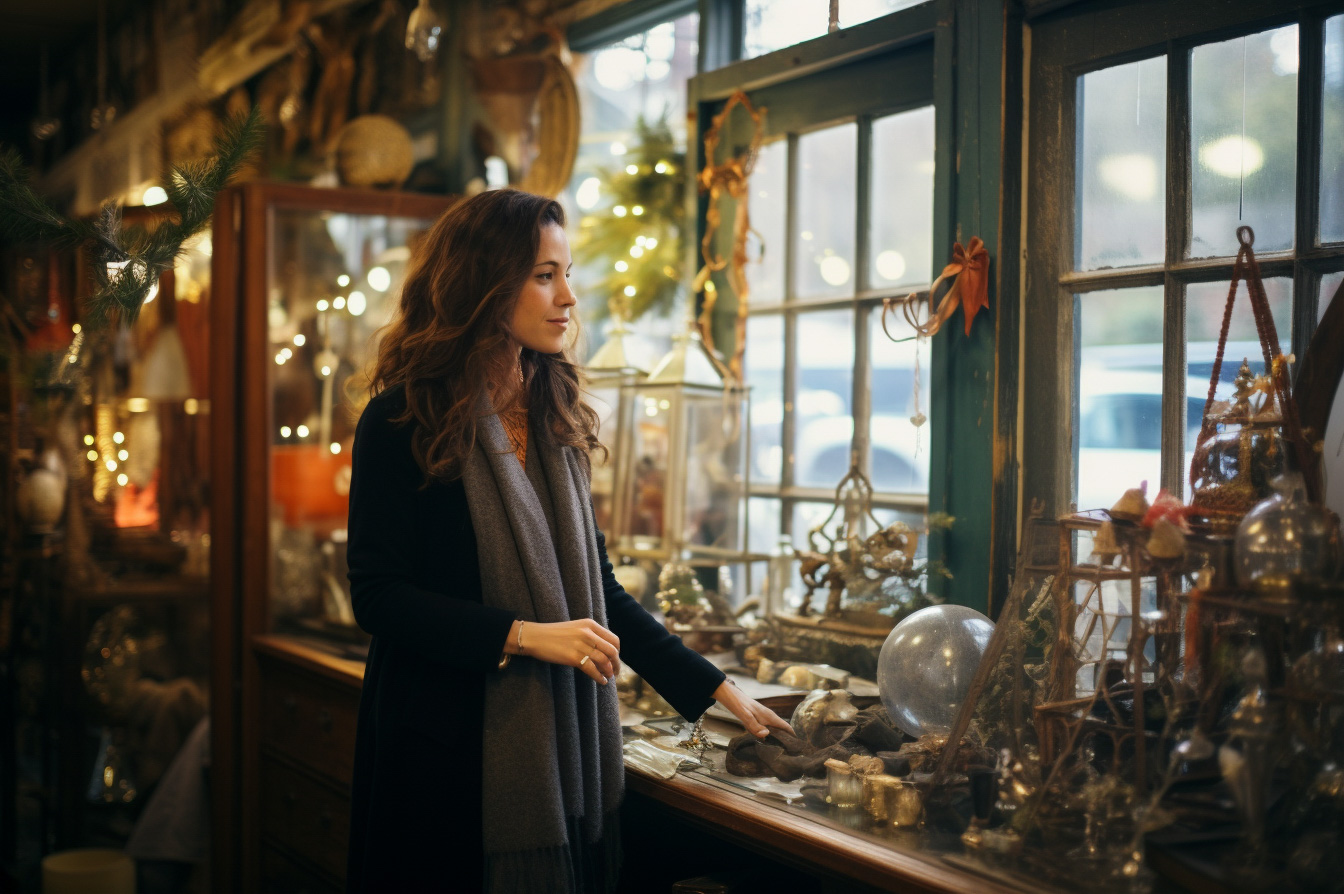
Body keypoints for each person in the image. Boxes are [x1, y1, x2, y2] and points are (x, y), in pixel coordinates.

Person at [345, 188, 791, 894]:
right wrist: (524, 635)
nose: (568, 299)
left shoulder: (557, 413)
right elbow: (377, 596)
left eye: (568, 274)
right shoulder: (403, 417)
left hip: (557, 751)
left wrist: (712, 687)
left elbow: (600, 590)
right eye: (544, 275)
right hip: (442, 749)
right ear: (486, 285)